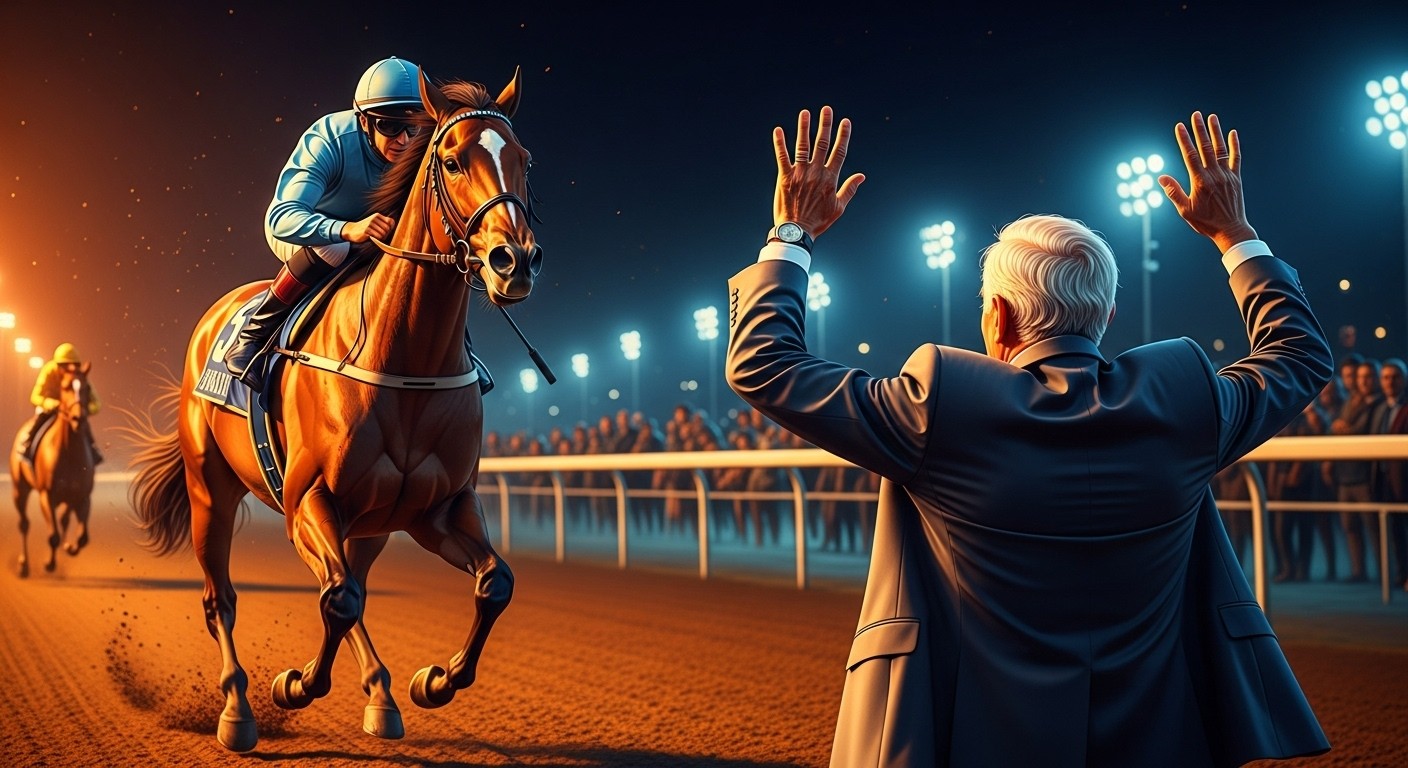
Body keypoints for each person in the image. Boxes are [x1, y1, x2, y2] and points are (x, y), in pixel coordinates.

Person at [724, 107, 1331, 765]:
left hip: (982, 740)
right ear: (1107, 314)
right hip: (1162, 737)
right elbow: (1299, 356)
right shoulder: (1184, 398)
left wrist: (792, 233)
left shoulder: (942, 407)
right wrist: (1234, 234)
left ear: (998, 314)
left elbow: (764, 363)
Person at [222, 56, 428, 390]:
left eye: (414, 127)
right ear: (364, 121)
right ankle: (253, 337)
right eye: (389, 127)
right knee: (334, 247)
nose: (404, 140)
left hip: (375, 242)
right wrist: (346, 228)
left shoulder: (422, 149)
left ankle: (463, 348)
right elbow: (281, 217)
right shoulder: (329, 139)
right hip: (309, 234)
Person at [16, 343, 102, 465]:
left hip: (70, 409)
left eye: (74, 365)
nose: (69, 368)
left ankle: (93, 450)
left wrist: (83, 409)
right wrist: (48, 402)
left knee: (82, 423)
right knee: (39, 417)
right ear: (57, 365)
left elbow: (97, 403)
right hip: (50, 408)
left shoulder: (79, 377)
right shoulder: (49, 370)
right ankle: (27, 445)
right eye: (64, 365)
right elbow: (34, 396)